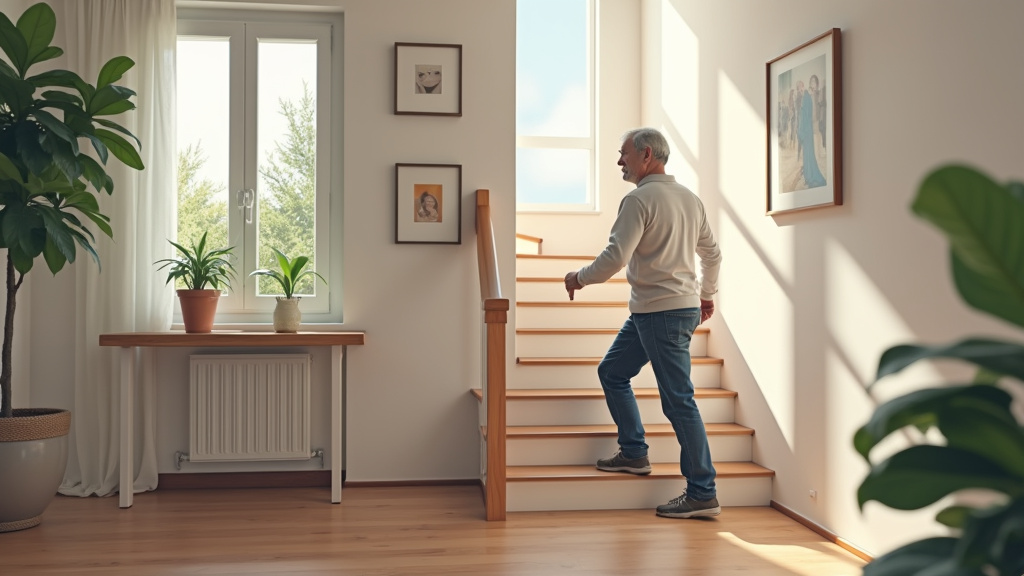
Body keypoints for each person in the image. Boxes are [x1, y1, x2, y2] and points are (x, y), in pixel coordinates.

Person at [563, 128, 722, 519]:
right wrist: (705, 295)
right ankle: (634, 452)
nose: (620, 161)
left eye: (624, 154)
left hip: (660, 312)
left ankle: (703, 491)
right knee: (613, 371)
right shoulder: (690, 199)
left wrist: (578, 277)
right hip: (661, 309)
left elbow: (616, 257)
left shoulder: (638, 200)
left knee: (678, 401)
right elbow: (713, 255)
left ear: (646, 155)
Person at [796, 80, 826, 188]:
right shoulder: (805, 96)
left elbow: (805, 116)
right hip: (806, 129)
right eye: (798, 87)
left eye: (800, 86)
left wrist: (802, 130)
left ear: (802, 86)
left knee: (808, 154)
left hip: (806, 130)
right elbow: (804, 116)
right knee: (807, 154)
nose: (799, 89)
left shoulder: (806, 97)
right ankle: (808, 177)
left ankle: (810, 177)